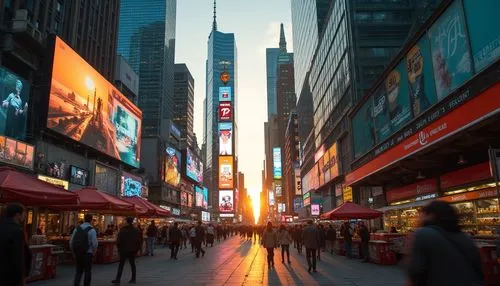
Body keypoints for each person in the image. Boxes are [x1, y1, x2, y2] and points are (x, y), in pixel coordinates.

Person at [407, 201, 483, 286]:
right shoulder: (466, 238)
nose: (419, 217)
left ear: (431, 215)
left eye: (422, 213)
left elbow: (416, 271)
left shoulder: (423, 234)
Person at [0, 203, 32, 286]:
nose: (25, 217)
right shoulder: (17, 231)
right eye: (24, 214)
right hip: (11, 276)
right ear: (17, 215)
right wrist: (22, 277)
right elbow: (19, 256)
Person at [71, 214, 98, 286]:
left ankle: (76, 284)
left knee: (78, 271)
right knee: (87, 271)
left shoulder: (77, 229)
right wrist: (94, 252)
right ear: (91, 220)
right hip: (88, 253)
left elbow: (71, 242)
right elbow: (94, 244)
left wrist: (73, 252)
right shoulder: (92, 230)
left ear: (84, 219)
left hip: (78, 252)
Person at [112, 217, 140, 285]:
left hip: (124, 249)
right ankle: (133, 279)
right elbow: (138, 241)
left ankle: (118, 279)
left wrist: (119, 248)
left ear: (127, 222)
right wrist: (137, 249)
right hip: (132, 249)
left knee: (121, 264)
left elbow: (119, 240)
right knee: (132, 264)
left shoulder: (123, 230)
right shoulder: (136, 230)